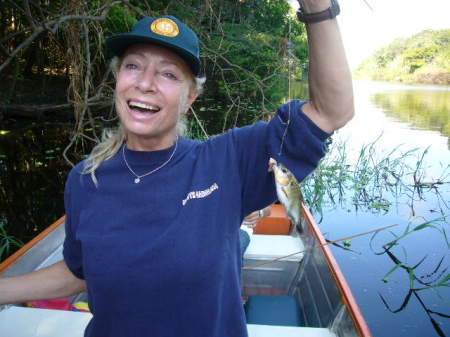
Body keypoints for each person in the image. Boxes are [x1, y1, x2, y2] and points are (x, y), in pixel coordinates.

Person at [0, 1, 353, 336]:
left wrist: (316, 10)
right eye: (133, 65)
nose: (145, 83)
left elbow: (330, 112)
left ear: (191, 96)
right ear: (118, 79)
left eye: (168, 74)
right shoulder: (85, 178)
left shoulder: (226, 160)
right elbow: (77, 273)